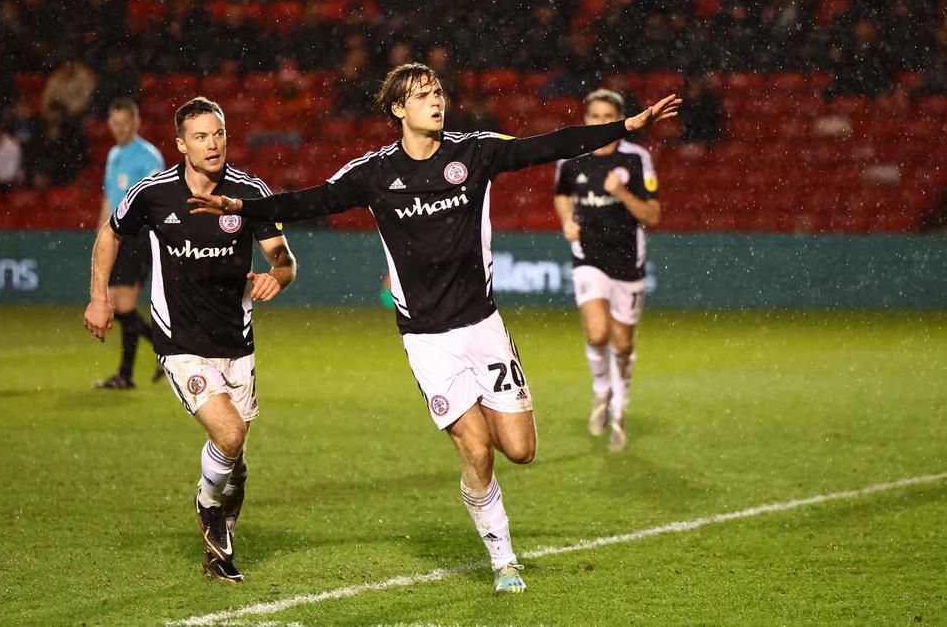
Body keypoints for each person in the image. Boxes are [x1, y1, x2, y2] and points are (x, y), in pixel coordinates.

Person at [187, 64, 679, 593]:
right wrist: (242, 207)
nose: (436, 101)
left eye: (438, 92)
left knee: (520, 449)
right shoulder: (374, 172)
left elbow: (549, 145)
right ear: (398, 109)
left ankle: (495, 516)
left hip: (483, 327)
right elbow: (309, 200)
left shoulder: (475, 152)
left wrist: (626, 127)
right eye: (422, 96)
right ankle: (504, 560)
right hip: (428, 340)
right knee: (476, 449)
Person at [83, 97, 297, 583]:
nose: (213, 144)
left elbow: (284, 259)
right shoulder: (154, 193)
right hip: (180, 341)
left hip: (236, 342)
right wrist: (99, 297)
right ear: (181, 145)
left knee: (236, 463)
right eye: (201, 136)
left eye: (218, 133)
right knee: (229, 434)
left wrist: (277, 277)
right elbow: (110, 234)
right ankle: (206, 505)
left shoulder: (249, 192)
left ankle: (218, 545)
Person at [553, 89, 662, 453]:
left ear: (619, 120)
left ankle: (620, 407)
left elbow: (652, 215)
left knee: (623, 343)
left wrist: (623, 193)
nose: (600, 123)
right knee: (598, 334)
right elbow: (562, 194)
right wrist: (567, 220)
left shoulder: (636, 159)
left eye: (607, 117)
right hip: (588, 257)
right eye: (594, 117)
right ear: (585, 120)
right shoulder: (572, 158)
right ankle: (603, 392)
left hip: (628, 262)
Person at [93, 97, 166, 390]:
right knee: (119, 305)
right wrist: (102, 234)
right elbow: (109, 197)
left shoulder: (148, 156)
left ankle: (158, 354)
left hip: (138, 236)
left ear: (136, 122)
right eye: (115, 123)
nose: (120, 128)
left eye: (125, 123)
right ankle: (130, 372)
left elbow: (154, 198)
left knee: (121, 305)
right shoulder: (113, 155)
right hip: (118, 237)